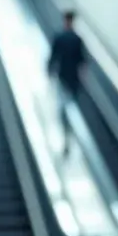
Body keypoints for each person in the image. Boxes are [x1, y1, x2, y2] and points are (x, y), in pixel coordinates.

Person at [47, 10, 87, 157]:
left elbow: (53, 57)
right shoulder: (77, 39)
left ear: (65, 21)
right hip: (73, 80)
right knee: (71, 107)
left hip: (62, 78)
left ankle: (67, 137)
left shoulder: (60, 37)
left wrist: (49, 73)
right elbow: (83, 62)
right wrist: (82, 78)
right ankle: (69, 136)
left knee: (63, 109)